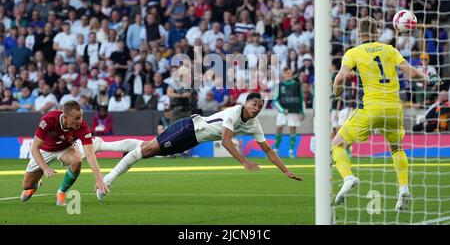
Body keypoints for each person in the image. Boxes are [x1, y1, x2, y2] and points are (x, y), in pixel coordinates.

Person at [97, 93, 302, 200]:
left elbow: (267, 150)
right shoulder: (234, 112)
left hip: (192, 139)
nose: (256, 109)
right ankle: (106, 182)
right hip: (187, 127)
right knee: (144, 152)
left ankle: (100, 144)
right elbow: (226, 141)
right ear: (245, 103)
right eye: (254, 104)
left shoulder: (254, 125)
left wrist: (285, 171)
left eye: (260, 106)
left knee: (145, 148)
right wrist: (244, 161)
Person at [331, 16, 441, 212]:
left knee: (337, 145)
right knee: (396, 148)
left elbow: (340, 77)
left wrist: (335, 93)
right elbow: (413, 74)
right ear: (377, 32)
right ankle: (403, 188)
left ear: (359, 33)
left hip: (370, 108)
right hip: (394, 107)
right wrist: (429, 80)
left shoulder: (353, 52)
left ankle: (348, 177)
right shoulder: (389, 49)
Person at [20, 100, 109, 205]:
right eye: (76, 118)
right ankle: (35, 185)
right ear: (65, 117)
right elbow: (34, 148)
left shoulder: (82, 127)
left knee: (77, 160)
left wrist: (99, 179)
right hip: (44, 150)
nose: (80, 121)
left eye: (81, 117)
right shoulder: (49, 119)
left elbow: (90, 154)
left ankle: (61, 192)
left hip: (65, 148)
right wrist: (45, 168)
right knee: (26, 186)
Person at [273, 67, 305, 158]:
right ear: (283, 75)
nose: (288, 75)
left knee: (293, 129)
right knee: (279, 128)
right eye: (286, 73)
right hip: (283, 112)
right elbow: (275, 100)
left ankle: (291, 151)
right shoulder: (279, 85)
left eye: (290, 73)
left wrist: (302, 112)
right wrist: (282, 110)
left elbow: (301, 98)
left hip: (294, 111)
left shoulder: (297, 85)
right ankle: (275, 150)